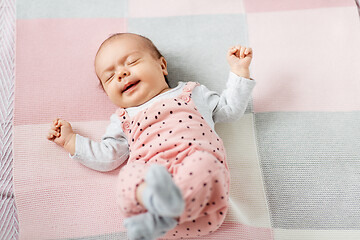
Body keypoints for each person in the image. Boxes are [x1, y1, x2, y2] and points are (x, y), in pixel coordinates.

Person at [47, 33, 256, 240]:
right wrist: (71, 141)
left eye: (131, 62)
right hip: (152, 193)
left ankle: (171, 206)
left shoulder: (192, 93)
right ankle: (158, 202)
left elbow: (228, 110)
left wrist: (239, 72)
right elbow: (108, 156)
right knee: (129, 176)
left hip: (202, 200)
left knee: (204, 162)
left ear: (162, 66)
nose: (121, 74)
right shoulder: (123, 119)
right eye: (109, 77)